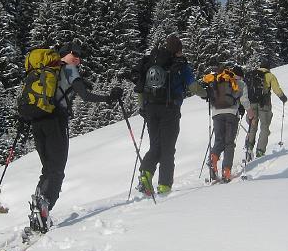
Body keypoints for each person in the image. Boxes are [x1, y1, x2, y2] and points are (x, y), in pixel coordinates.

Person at [31, 42, 123, 230]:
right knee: (57, 170)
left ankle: (38, 207)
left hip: (37, 121)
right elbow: (86, 96)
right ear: (66, 54)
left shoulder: (45, 70)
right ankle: (43, 208)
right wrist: (109, 98)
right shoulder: (70, 69)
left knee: (48, 168)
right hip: (56, 121)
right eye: (76, 54)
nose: (78, 58)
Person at [137, 34, 207, 195]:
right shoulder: (180, 65)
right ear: (178, 51)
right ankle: (164, 187)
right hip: (170, 109)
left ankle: (145, 174)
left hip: (150, 109)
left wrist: (143, 108)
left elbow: (140, 86)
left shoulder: (151, 62)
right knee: (168, 148)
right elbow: (194, 87)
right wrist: (206, 95)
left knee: (155, 145)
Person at [203, 65, 254, 182]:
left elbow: (210, 96)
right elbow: (244, 100)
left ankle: (213, 158)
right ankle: (226, 172)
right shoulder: (239, 83)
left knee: (219, 140)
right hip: (231, 114)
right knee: (229, 143)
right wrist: (250, 113)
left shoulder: (218, 80)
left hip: (216, 114)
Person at [245, 60, 288, 160]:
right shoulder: (270, 75)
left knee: (252, 126)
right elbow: (276, 89)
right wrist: (283, 98)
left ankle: (249, 148)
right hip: (264, 104)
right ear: (268, 67)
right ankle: (260, 151)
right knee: (264, 127)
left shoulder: (252, 75)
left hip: (251, 103)